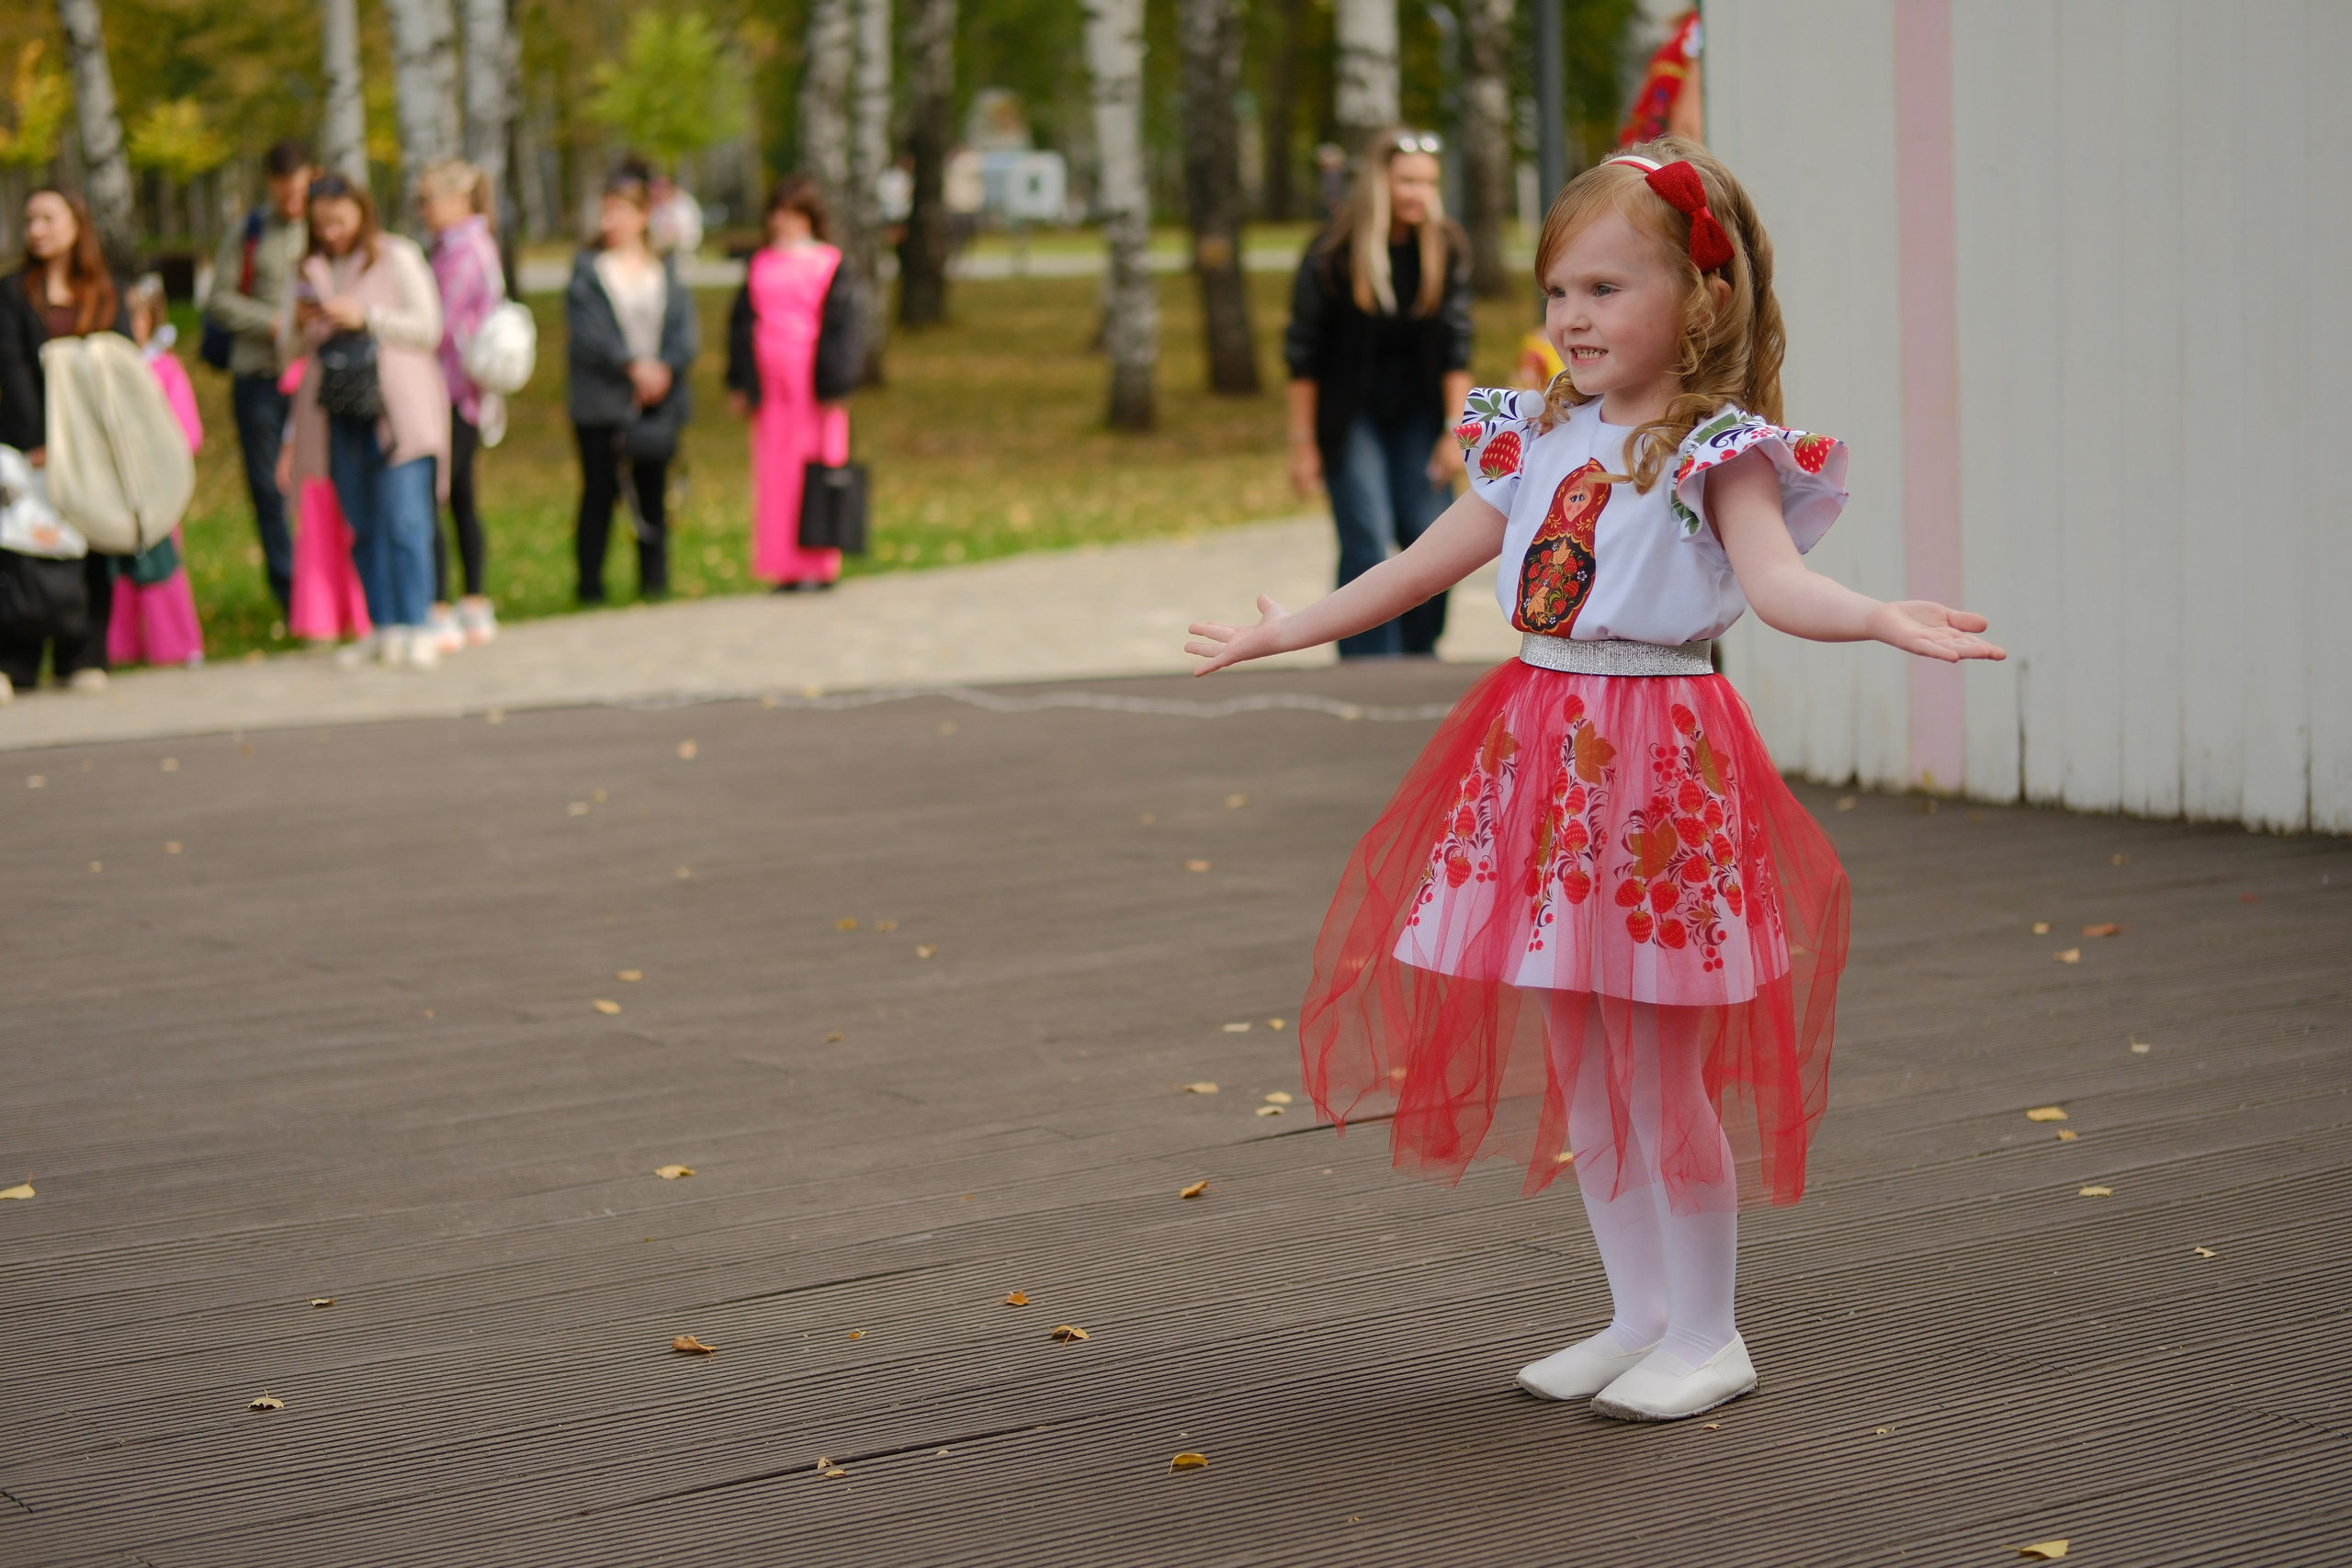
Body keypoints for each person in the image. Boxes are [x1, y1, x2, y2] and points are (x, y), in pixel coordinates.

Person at [1187, 140, 2006, 1422]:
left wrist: (1878, 616)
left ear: (1703, 299)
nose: (1573, 316)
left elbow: (1780, 585)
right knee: (1582, 1057)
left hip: (1657, 775)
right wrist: (1285, 625)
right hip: (1542, 758)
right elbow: (1418, 567)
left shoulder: (1715, 449)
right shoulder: (1536, 435)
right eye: (1560, 289)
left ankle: (1712, 1329)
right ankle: (1638, 1313)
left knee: (1658, 1062)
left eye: (1609, 288)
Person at [1283, 127, 1474, 659]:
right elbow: (1303, 356)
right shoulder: (1332, 252)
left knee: (1431, 534)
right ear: (1379, 183)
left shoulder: (1447, 247)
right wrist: (1302, 443)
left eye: (1428, 182)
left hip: (1421, 415)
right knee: (1367, 538)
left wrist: (1454, 430)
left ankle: (1417, 658)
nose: (1418, 193)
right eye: (1407, 181)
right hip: (1352, 419)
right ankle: (1369, 666)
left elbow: (1458, 346)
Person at [281, 174, 448, 671]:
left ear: (361, 212)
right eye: (321, 224)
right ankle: (383, 627)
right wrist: (300, 323)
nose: (331, 232)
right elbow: (285, 353)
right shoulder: (309, 269)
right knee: (362, 522)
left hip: (396, 409)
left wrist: (367, 315)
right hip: (337, 410)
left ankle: (418, 622)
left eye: (340, 220)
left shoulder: (397, 257)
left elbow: (428, 328)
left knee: (405, 518)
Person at [0, 186, 129, 696]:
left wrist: (102, 441)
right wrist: (39, 440)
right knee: (23, 546)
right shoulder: (12, 292)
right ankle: (16, 662)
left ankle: (84, 657)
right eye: (30, 219)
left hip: (94, 444)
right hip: (29, 444)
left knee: (92, 545)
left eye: (48, 219)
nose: (37, 229)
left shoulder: (105, 292)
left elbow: (122, 367)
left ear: (77, 224)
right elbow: (11, 369)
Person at [566, 171, 696, 604]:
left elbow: (683, 331)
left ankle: (654, 583)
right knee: (599, 492)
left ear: (643, 215)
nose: (609, 222)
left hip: (656, 403)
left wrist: (664, 370)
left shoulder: (665, 270)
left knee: (653, 491)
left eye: (618, 211)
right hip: (602, 401)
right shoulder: (588, 272)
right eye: (604, 212)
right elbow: (590, 335)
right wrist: (632, 367)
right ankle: (590, 586)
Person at [726, 176, 859, 592]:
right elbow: (740, 327)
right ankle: (782, 563)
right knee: (775, 474)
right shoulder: (760, 263)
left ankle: (819, 563)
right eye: (778, 213)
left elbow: (843, 328)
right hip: (771, 386)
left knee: (817, 471)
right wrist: (740, 382)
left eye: (792, 214)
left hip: (813, 383)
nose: (783, 222)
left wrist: (837, 381)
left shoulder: (830, 263)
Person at [204, 137, 313, 613]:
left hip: (315, 377)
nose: (293, 203)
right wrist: (268, 321)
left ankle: (329, 586)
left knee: (321, 483)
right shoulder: (247, 232)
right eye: (283, 193)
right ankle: (288, 589)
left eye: (300, 192)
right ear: (270, 185)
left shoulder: (327, 226)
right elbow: (218, 300)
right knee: (269, 485)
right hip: (260, 377)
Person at [417, 160, 504, 649]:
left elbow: (440, 325)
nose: (424, 210)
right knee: (459, 495)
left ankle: (447, 604)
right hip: (458, 392)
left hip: (452, 391)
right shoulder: (463, 247)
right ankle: (468, 601)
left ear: (458, 201)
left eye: (429, 199)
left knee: (442, 493)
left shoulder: (465, 251)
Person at [106, 276, 206, 670]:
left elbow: (186, 431)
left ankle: (174, 643)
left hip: (154, 483)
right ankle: (121, 645)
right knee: (116, 564)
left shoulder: (164, 368)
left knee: (162, 562)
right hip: (114, 483)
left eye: (136, 316)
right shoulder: (107, 368)